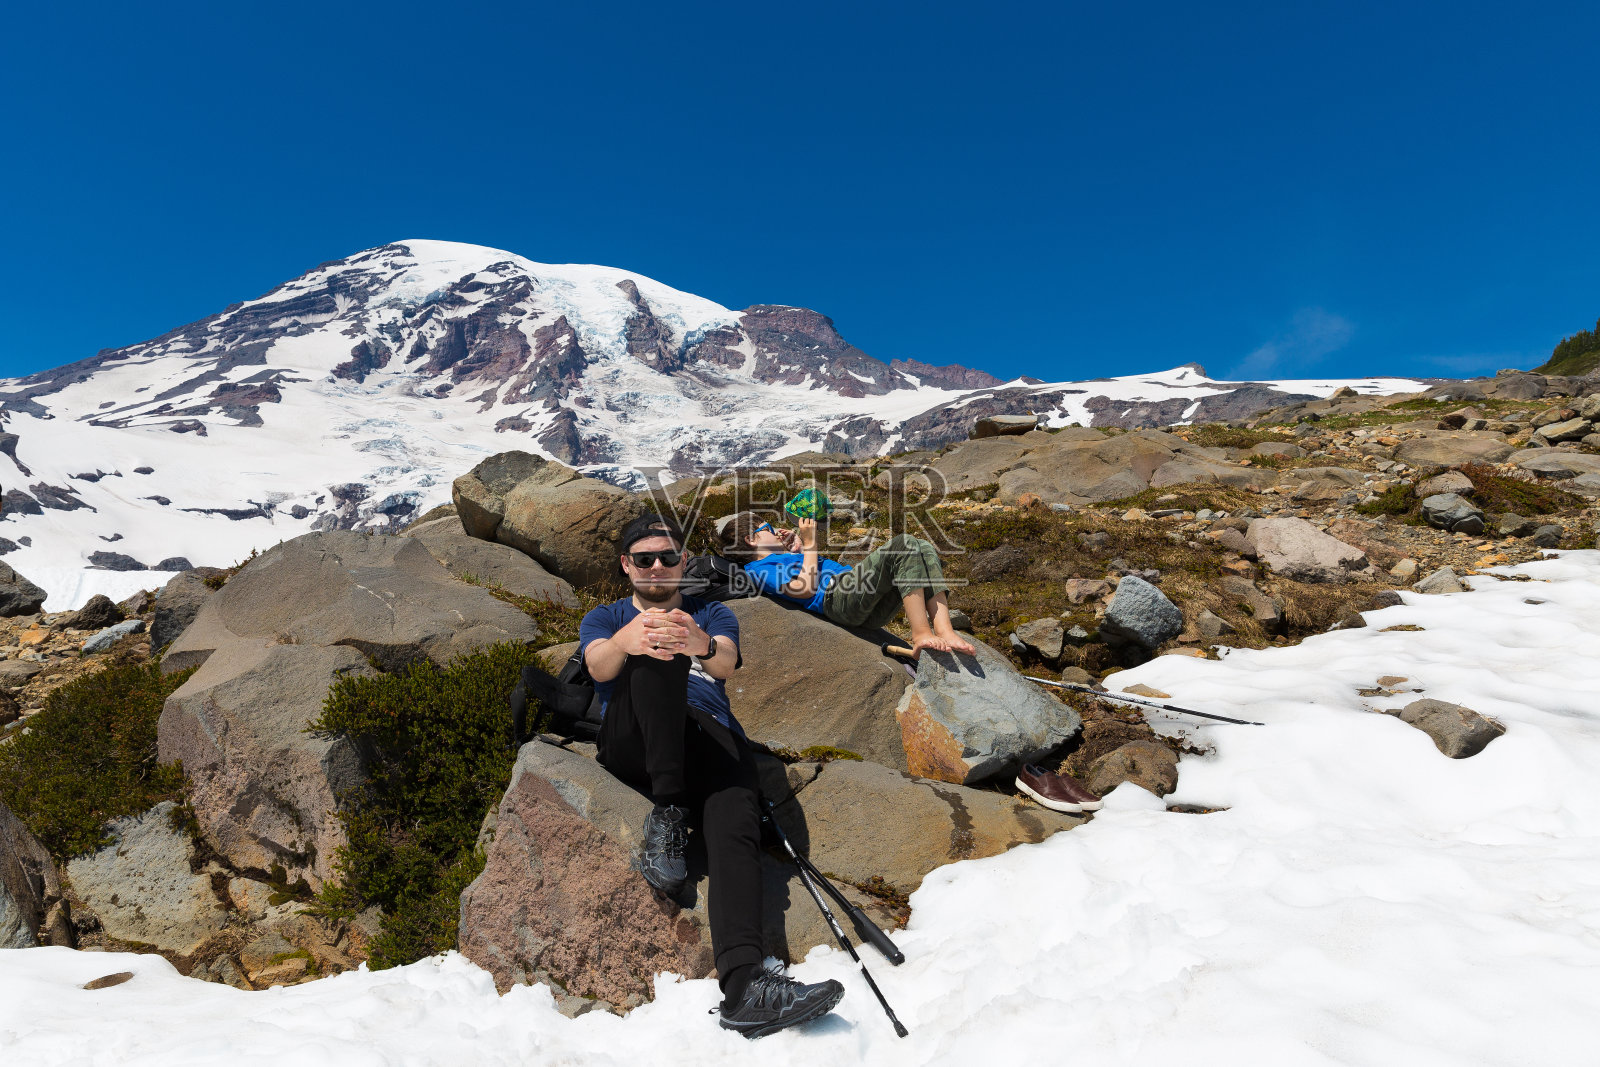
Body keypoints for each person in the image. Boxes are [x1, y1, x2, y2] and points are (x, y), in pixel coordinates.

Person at [578, 514, 845, 1038]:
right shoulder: (606, 616)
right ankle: (670, 812)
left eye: (668, 557)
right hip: (634, 741)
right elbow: (598, 667)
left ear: (683, 561)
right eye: (645, 559)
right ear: (627, 565)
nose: (658, 567)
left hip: (707, 736)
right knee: (656, 649)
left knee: (736, 816)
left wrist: (698, 642)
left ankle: (744, 986)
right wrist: (631, 639)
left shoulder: (712, 612)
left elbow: (724, 664)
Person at [725, 513, 976, 657]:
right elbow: (804, 588)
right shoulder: (758, 569)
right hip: (837, 598)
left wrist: (797, 550)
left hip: (857, 600)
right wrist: (811, 545)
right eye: (768, 528)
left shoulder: (781, 558)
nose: (776, 532)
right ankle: (921, 634)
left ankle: (944, 630)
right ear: (751, 539)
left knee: (922, 547)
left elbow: (806, 570)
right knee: (903, 544)